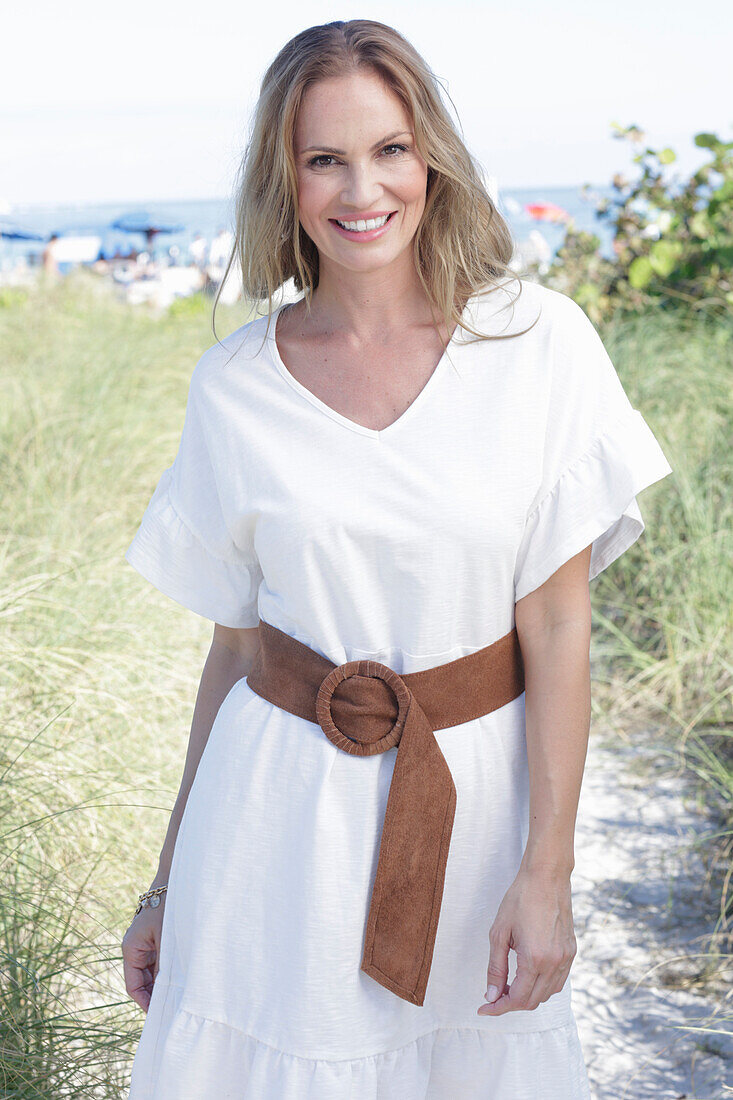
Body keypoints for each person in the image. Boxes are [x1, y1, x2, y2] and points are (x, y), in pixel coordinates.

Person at [120, 19, 673, 1099]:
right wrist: (166, 883)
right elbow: (235, 651)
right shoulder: (234, 384)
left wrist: (547, 873)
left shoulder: (536, 344)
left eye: (388, 150)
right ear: (285, 180)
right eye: (322, 157)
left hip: (469, 813)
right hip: (271, 826)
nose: (359, 189)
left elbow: (558, 628)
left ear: (432, 159)